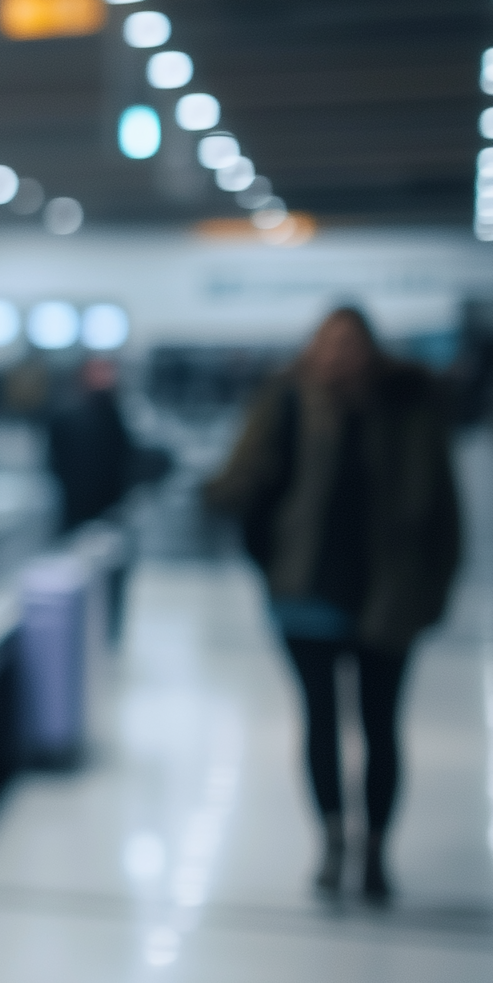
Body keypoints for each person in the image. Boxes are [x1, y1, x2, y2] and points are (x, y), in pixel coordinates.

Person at [203, 307, 459, 902]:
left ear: (370, 350)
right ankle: (332, 839)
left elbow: (442, 507)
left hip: (388, 594)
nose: (339, 355)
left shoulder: (407, 409)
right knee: (320, 721)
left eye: (351, 344)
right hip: (306, 591)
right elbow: (243, 481)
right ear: (313, 349)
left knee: (379, 725)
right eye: (329, 343)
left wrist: (436, 586)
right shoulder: (287, 404)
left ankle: (374, 848)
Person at [44, 356, 137, 531]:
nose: (105, 377)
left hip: (107, 504)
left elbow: (123, 457)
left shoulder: (112, 415)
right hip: (78, 502)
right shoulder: (67, 416)